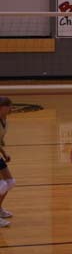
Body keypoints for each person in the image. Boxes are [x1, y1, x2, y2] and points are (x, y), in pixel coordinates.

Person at [0, 97, 14, 228]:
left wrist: (4, 153)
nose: (10, 108)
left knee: (10, 182)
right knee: (1, 185)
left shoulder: (5, 121)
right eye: (8, 106)